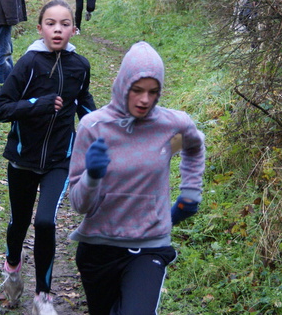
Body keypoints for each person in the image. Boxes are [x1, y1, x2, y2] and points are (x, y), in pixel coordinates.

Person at [68, 41, 206, 315]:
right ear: (123, 87)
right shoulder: (93, 127)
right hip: (99, 246)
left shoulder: (170, 128)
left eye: (153, 92)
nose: (145, 100)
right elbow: (78, 204)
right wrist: (93, 177)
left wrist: (190, 191)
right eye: (137, 90)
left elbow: (193, 145)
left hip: (149, 245)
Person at [0, 0, 97, 314]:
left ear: (73, 29)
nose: (58, 29)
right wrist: (36, 103)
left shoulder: (80, 66)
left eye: (65, 24)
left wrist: (106, 127)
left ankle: (43, 297)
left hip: (60, 159)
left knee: (46, 222)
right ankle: (12, 267)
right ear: (40, 28)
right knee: (19, 222)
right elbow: (1, 109)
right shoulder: (28, 64)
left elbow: (84, 103)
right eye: (51, 23)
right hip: (22, 159)